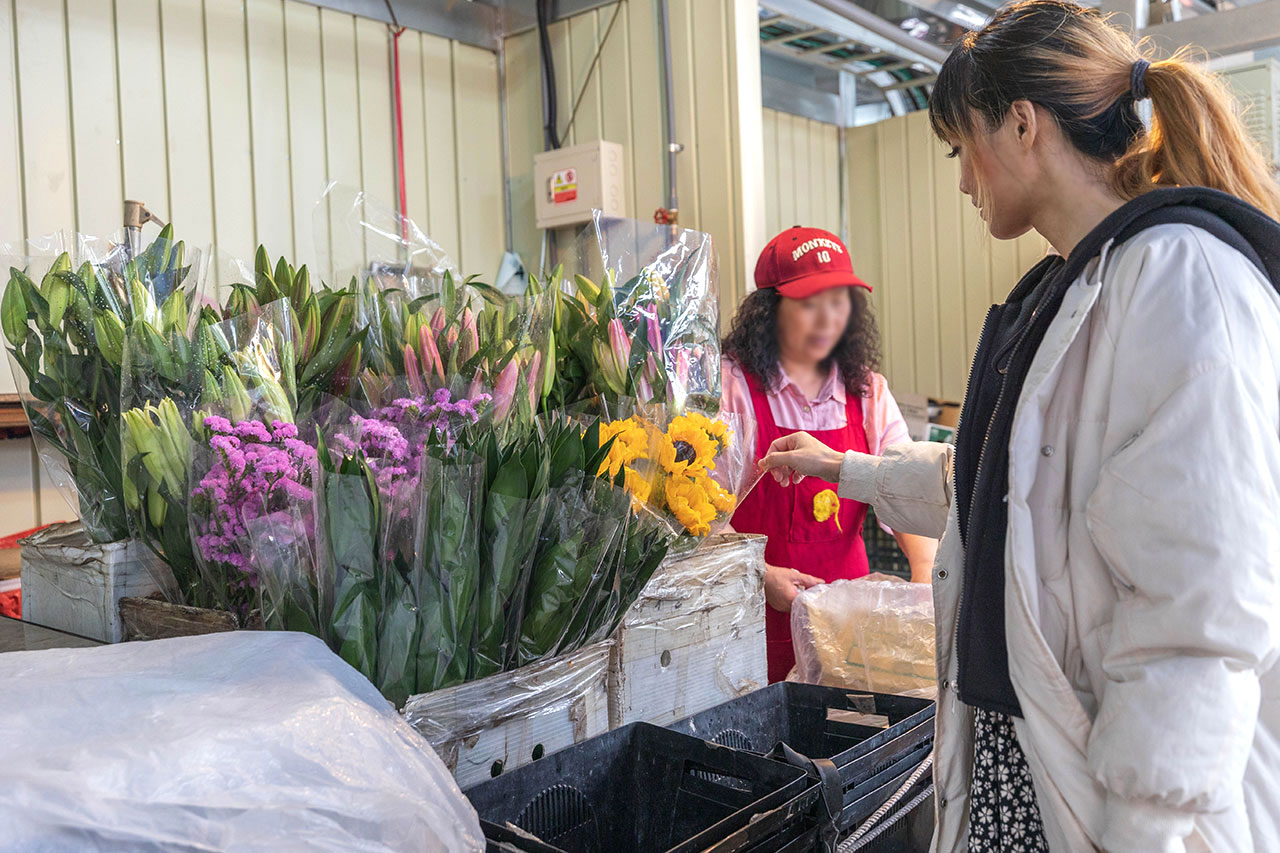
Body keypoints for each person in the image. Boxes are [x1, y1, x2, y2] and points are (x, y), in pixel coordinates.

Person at [760, 2, 1280, 850]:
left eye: (962, 148)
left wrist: (1145, 830)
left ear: (1024, 125)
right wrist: (840, 467)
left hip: (1129, 799)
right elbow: (998, 486)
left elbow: (1201, 608)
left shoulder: (1183, 281)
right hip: (1033, 761)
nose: (963, 180)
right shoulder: (1071, 288)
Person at [722, 225, 937, 684]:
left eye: (838, 302)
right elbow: (700, 518)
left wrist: (924, 574)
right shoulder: (733, 388)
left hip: (850, 627)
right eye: (808, 305)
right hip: (751, 616)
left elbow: (907, 492)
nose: (827, 321)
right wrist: (759, 572)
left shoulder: (867, 391)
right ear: (769, 311)